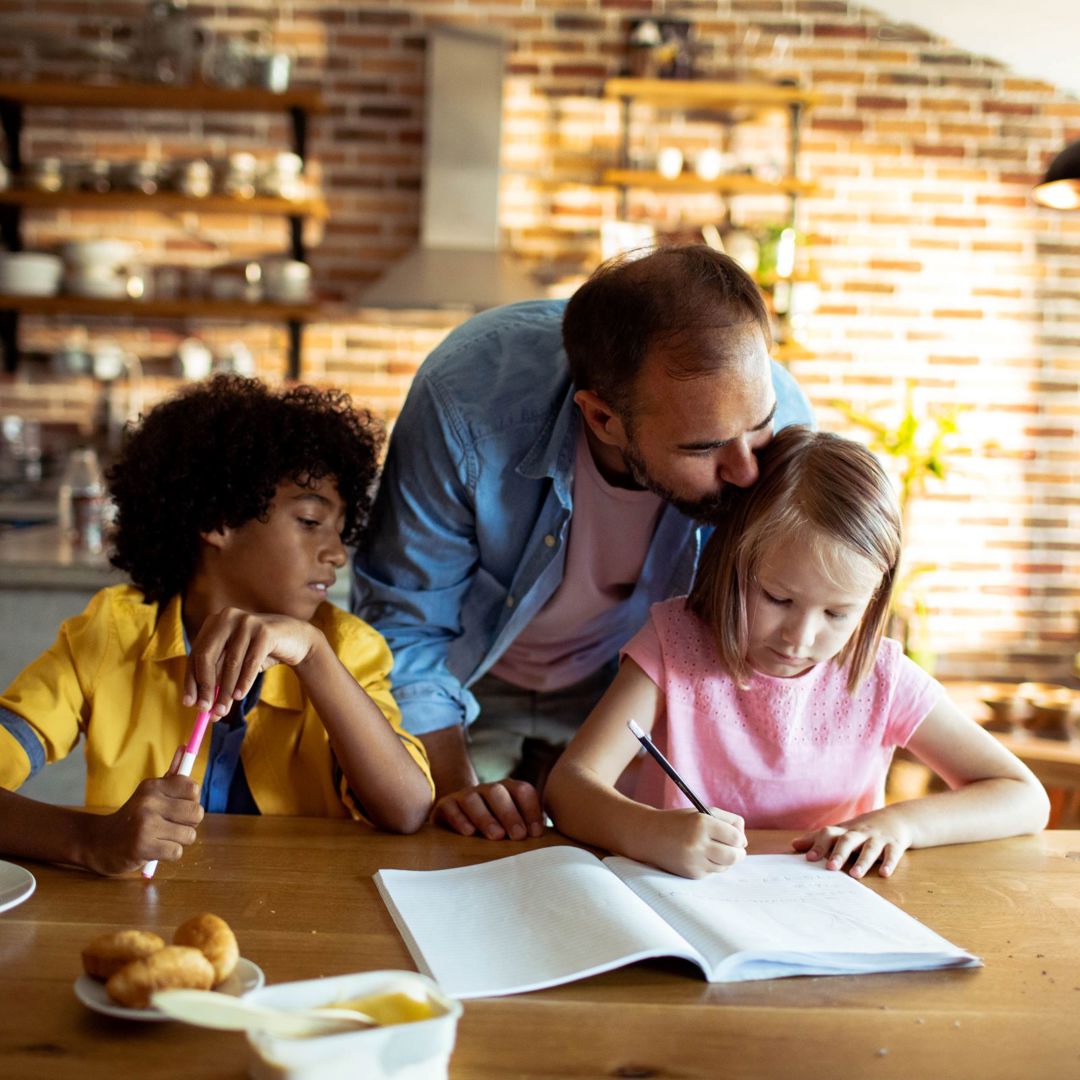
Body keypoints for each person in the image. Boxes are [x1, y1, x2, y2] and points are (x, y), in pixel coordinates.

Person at [353, 244, 814, 843]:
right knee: (447, 845)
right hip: (470, 678)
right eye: (702, 448)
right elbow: (407, 624)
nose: (748, 471)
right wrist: (456, 791)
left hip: (630, 688)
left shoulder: (784, 425)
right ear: (601, 419)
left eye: (759, 427)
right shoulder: (465, 402)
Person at [545, 426, 1050, 879]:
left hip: (831, 913)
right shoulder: (675, 645)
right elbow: (569, 787)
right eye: (777, 598)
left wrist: (900, 823)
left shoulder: (878, 675)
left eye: (837, 613)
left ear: (873, 601)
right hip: (684, 903)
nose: (800, 638)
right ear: (732, 560)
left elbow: (1024, 796)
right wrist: (648, 831)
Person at [0, 375, 434, 877]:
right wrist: (90, 840)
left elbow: (408, 810)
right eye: (311, 522)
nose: (337, 554)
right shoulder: (113, 631)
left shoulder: (345, 649)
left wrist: (314, 657)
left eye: (341, 531)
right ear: (219, 519)